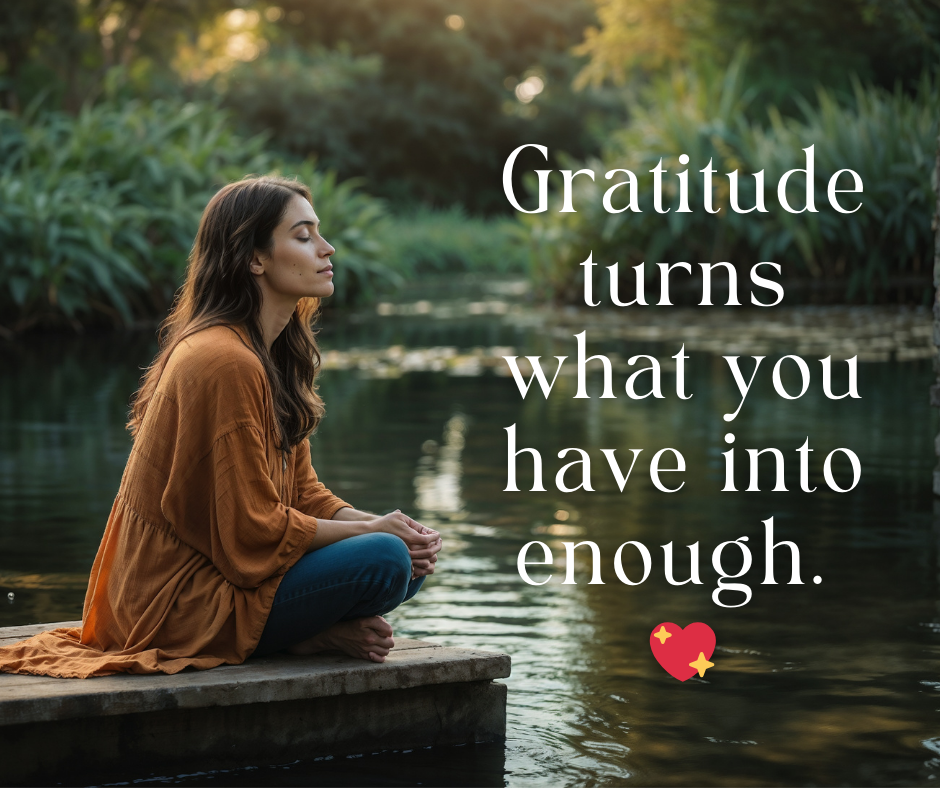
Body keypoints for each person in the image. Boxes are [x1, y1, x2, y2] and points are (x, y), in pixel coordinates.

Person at [0, 175, 442, 678]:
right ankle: (301, 637)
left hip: (234, 578)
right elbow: (252, 529)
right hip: (174, 602)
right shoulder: (223, 360)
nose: (327, 248)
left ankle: (303, 634)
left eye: (319, 233)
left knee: (406, 559)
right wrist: (370, 532)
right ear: (255, 259)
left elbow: (302, 492)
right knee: (383, 560)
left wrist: (384, 522)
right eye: (303, 236)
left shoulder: (271, 356)